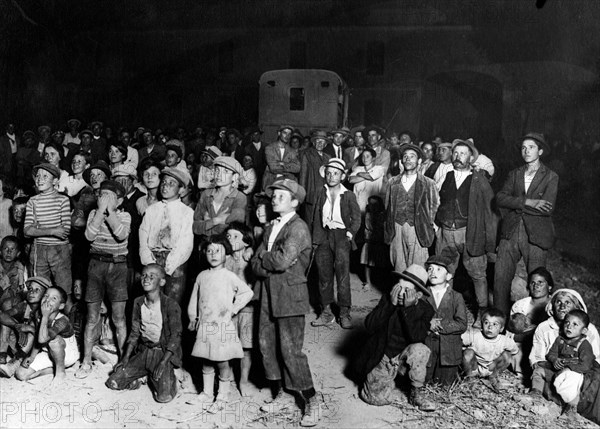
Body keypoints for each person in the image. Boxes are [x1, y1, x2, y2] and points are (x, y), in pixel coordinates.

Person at [250, 179, 323, 427]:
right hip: (268, 294)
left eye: (281, 196)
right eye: (274, 195)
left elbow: (281, 261)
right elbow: (255, 263)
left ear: (295, 202)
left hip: (290, 296)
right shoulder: (271, 227)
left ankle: (312, 400)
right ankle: (281, 393)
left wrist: (265, 259)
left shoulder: (298, 228)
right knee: (266, 345)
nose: (274, 199)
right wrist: (268, 260)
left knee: (290, 350)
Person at [494, 133, 559, 315]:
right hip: (511, 230)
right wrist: (528, 203)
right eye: (523, 147)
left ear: (540, 151)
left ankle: (536, 322)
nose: (526, 151)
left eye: (531, 147)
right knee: (500, 279)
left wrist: (514, 204)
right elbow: (499, 198)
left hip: (536, 234)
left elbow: (547, 208)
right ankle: (499, 321)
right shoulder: (514, 174)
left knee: (537, 281)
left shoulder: (551, 176)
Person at [186, 235, 253, 412]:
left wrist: (232, 310)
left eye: (218, 251)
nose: (213, 254)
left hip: (222, 326)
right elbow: (194, 299)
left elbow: (246, 293)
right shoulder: (201, 276)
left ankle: (222, 396)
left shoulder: (229, 276)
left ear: (227, 253)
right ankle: (207, 393)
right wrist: (192, 317)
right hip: (205, 324)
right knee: (206, 360)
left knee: (222, 362)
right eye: (209, 251)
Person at [357, 264, 436, 411]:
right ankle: (392, 388)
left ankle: (415, 393)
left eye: (407, 291)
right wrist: (390, 306)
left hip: (404, 358)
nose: (400, 293)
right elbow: (370, 325)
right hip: (383, 356)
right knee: (373, 398)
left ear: (418, 295)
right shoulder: (388, 300)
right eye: (399, 287)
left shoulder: (426, 310)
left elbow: (416, 336)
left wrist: (409, 309)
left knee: (421, 350)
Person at [435, 139, 496, 324]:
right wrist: (436, 226)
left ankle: (482, 314)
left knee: (478, 275)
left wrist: (489, 242)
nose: (458, 157)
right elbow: (435, 202)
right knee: (444, 272)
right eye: (455, 153)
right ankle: (444, 311)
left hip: (469, 233)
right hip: (446, 232)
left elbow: (490, 211)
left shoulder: (479, 180)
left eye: (463, 153)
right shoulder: (445, 175)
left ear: (471, 157)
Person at [75, 180, 131, 379]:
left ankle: (124, 362)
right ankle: (86, 360)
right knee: (91, 317)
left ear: (121, 200)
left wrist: (110, 213)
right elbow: (89, 236)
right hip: (95, 266)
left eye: (110, 197)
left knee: (119, 318)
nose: (104, 200)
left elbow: (121, 234)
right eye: (101, 196)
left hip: (118, 267)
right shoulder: (93, 214)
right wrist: (100, 212)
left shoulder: (124, 215)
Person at [106, 264, 182, 403]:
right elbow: (134, 333)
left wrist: (163, 363)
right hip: (144, 352)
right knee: (113, 382)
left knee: (163, 397)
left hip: (162, 353)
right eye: (144, 275)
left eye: (152, 276)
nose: (146, 279)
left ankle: (170, 378)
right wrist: (125, 358)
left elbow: (175, 337)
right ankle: (142, 377)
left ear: (162, 282)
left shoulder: (170, 305)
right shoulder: (138, 302)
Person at [529, 289, 600, 418]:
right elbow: (537, 357)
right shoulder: (544, 327)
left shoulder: (589, 331)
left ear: (576, 306)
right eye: (558, 302)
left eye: (568, 303)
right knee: (542, 375)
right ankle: (538, 395)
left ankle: (573, 405)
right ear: (552, 306)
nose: (562, 307)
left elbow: (594, 360)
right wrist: (554, 363)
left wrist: (571, 370)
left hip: (580, 372)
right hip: (554, 368)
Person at [311, 158, 361, 329]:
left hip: (341, 236)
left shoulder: (348, 195)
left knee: (343, 276)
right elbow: (314, 216)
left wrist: (350, 233)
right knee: (323, 276)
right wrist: (314, 239)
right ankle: (326, 313)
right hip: (323, 235)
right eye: (329, 173)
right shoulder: (320, 191)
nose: (332, 176)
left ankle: (344, 313)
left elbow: (357, 218)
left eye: (336, 173)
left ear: (342, 176)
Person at [139, 167, 194, 306]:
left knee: (172, 303)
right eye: (163, 182)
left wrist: (171, 264)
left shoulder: (187, 212)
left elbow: (186, 242)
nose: (165, 186)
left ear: (181, 190)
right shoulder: (151, 210)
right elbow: (143, 234)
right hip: (153, 257)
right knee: (152, 302)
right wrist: (147, 259)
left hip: (175, 262)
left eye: (171, 183)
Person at [384, 144, 439, 273]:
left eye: (412, 157)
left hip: (418, 229)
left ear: (419, 161)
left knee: (417, 267)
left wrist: (427, 225)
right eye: (405, 157)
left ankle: (415, 293)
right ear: (401, 161)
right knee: (398, 265)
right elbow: (387, 206)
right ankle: (400, 292)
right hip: (397, 227)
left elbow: (433, 208)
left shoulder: (428, 183)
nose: (408, 159)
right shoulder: (393, 182)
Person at [24, 164, 72, 300]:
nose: (40, 179)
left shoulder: (63, 200)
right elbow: (27, 231)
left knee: (64, 291)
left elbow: (64, 231)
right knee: (39, 290)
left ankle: (64, 320)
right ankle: (41, 320)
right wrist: (52, 231)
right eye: (37, 176)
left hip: (60, 251)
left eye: (45, 176)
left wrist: (38, 229)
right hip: (38, 250)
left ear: (55, 181)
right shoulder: (32, 201)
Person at [13, 286, 79, 386]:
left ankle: (60, 372)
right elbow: (37, 338)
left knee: (55, 341)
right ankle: (53, 369)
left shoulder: (62, 320)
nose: (47, 300)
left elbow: (43, 339)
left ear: (61, 306)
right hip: (47, 352)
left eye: (54, 298)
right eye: (46, 296)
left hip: (67, 355)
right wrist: (32, 356)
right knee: (20, 374)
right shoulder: (38, 314)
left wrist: (45, 316)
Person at [423, 255, 468, 385]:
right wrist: (427, 324)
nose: (432, 272)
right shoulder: (421, 295)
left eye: (438, 269)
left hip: (448, 351)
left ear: (448, 276)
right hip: (428, 346)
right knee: (424, 381)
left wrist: (440, 325)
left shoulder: (456, 297)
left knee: (445, 384)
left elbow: (462, 324)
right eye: (430, 269)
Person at [225, 222, 256, 397]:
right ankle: (226, 376)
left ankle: (243, 381)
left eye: (236, 236)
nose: (231, 239)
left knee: (246, 347)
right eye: (228, 236)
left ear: (247, 241)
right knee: (227, 344)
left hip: (247, 309)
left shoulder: (249, 258)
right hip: (229, 309)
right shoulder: (225, 260)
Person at [507, 267, 554, 377]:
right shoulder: (520, 305)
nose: (536, 286)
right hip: (523, 347)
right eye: (532, 282)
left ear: (550, 287)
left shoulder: (556, 306)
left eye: (540, 282)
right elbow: (511, 335)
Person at [462, 308, 519, 387]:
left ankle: (493, 376)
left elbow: (514, 350)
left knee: (507, 355)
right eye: (486, 323)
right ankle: (469, 377)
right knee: (468, 352)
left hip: (491, 368)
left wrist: (496, 362)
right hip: (475, 366)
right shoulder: (475, 336)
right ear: (482, 325)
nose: (489, 327)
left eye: (495, 324)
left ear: (501, 329)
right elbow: (459, 340)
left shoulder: (505, 341)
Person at [192, 156, 246, 239]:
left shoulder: (239, 198)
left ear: (234, 177)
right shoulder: (206, 194)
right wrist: (216, 221)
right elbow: (195, 227)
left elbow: (234, 231)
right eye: (217, 170)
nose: (219, 175)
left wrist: (207, 223)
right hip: (206, 246)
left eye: (225, 171)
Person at [298, 130, 331, 227]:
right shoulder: (307, 155)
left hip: (324, 194)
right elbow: (303, 176)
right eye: (318, 141)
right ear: (313, 142)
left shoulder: (328, 157)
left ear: (325, 144)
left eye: (322, 141)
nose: (320, 143)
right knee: (309, 221)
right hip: (311, 193)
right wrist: (302, 194)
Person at [261, 125, 301, 191]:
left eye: (289, 134)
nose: (287, 136)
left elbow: (297, 168)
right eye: (284, 133)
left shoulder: (292, 151)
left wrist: (282, 164)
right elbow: (273, 168)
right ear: (279, 133)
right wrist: (289, 168)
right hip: (271, 182)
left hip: (287, 184)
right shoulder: (269, 148)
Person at [360, 195, 387, 291]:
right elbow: (369, 228)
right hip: (369, 242)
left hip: (379, 242)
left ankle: (379, 283)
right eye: (370, 204)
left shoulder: (383, 215)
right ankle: (368, 282)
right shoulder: (368, 215)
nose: (372, 206)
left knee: (379, 264)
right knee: (367, 264)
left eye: (375, 204)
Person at [348, 147, 385, 213]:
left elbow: (371, 177)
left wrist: (359, 174)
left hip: (372, 204)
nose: (365, 159)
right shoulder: (358, 169)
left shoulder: (379, 168)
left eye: (367, 156)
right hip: (358, 202)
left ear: (373, 158)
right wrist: (368, 175)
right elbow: (351, 180)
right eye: (363, 156)